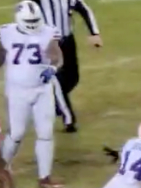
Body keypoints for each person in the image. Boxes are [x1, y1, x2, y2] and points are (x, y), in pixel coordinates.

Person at [0, 0, 64, 188]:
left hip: (42, 90)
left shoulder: (48, 32)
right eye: (30, 20)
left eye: (36, 19)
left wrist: (52, 67)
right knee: (16, 133)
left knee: (46, 133)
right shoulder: (7, 32)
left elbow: (57, 56)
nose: (34, 23)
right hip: (17, 91)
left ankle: (45, 178)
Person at [31, 0, 102, 132]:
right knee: (57, 80)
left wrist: (94, 33)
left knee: (73, 77)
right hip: (49, 43)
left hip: (68, 40)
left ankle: (52, 101)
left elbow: (83, 9)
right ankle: (69, 120)